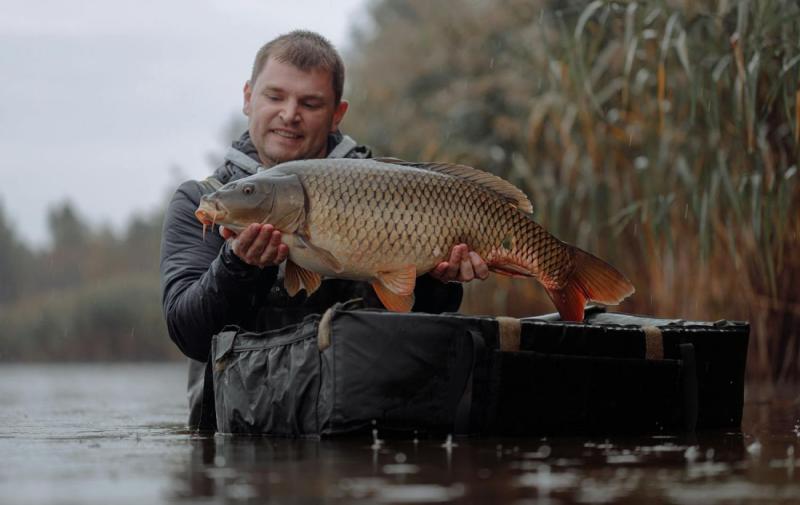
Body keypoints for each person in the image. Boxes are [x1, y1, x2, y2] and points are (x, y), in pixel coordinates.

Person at [160, 30, 488, 430]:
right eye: (275, 96)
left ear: (337, 114)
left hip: (366, 430)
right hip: (239, 437)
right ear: (248, 97)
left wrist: (441, 280)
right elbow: (189, 335)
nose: (289, 114)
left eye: (310, 103)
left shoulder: (389, 187)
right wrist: (237, 266)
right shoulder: (205, 202)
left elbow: (422, 321)